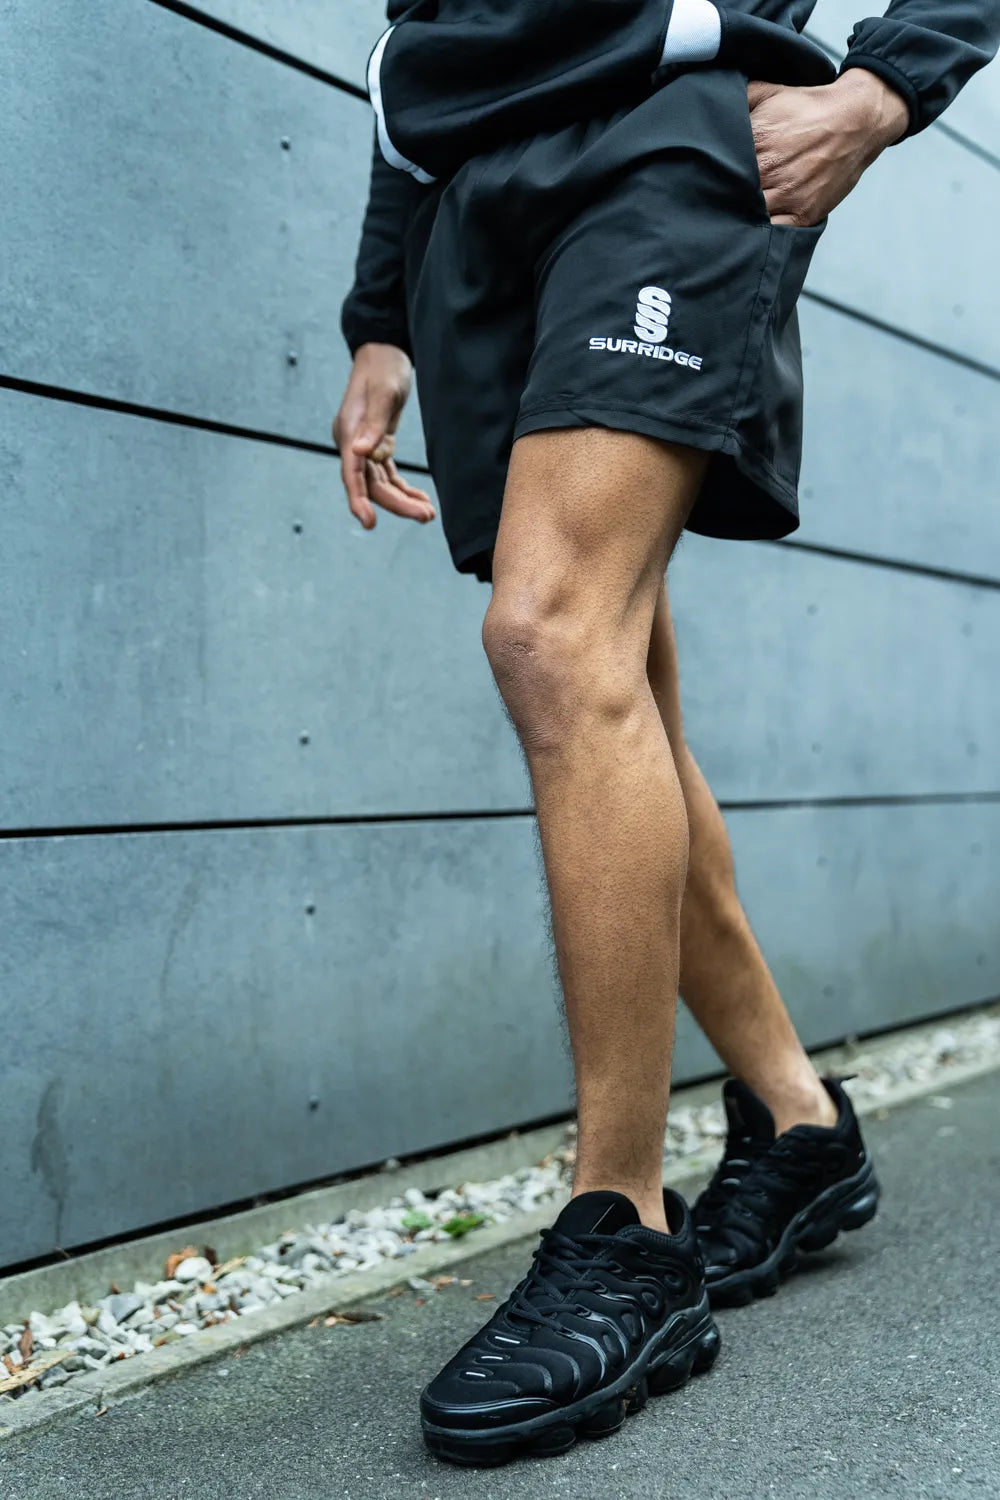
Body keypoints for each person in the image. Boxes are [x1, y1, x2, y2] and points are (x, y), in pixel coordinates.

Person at [335, 0, 1000, 1466]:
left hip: (663, 139)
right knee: (616, 670)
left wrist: (887, 90)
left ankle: (622, 1228)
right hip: (469, 203)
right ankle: (800, 1123)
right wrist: (379, 312)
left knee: (549, 637)